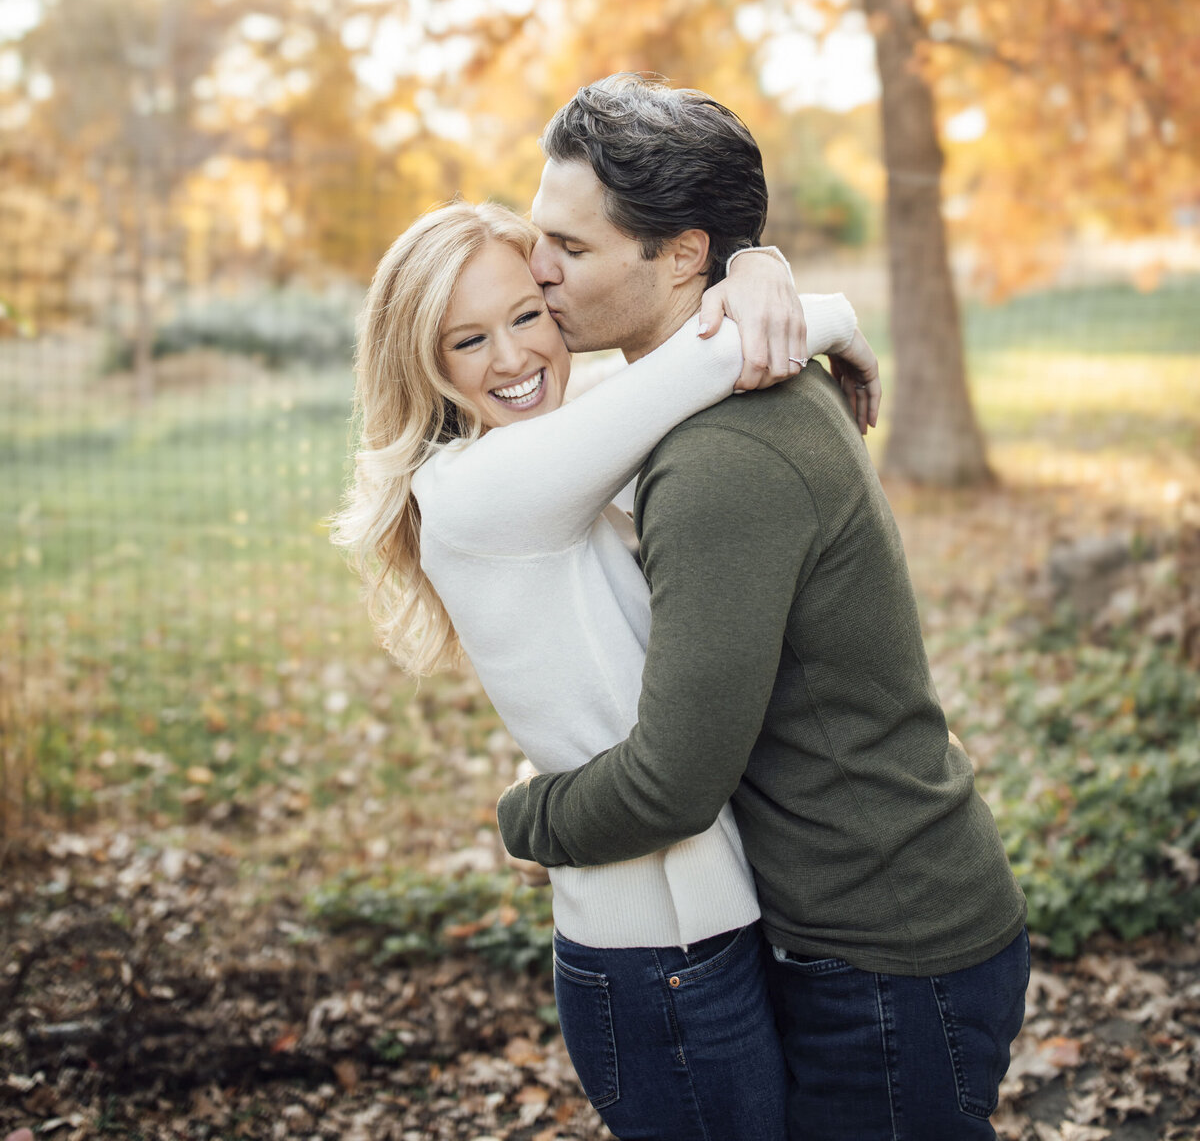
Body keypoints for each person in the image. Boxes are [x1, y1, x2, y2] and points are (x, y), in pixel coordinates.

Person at [498, 74, 1030, 1141]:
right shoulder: (721, 378)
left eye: (573, 248)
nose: (537, 273)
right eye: (534, 236)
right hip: (878, 923)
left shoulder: (719, 456)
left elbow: (670, 785)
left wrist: (525, 819)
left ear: (682, 255)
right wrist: (772, 273)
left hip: (885, 952)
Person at [333, 195, 877, 1140]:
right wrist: (834, 321)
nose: (512, 359)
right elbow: (712, 357)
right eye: (468, 342)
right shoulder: (483, 489)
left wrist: (754, 265)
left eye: (526, 316)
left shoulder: (555, 441)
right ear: (424, 363)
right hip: (656, 958)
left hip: (716, 923)